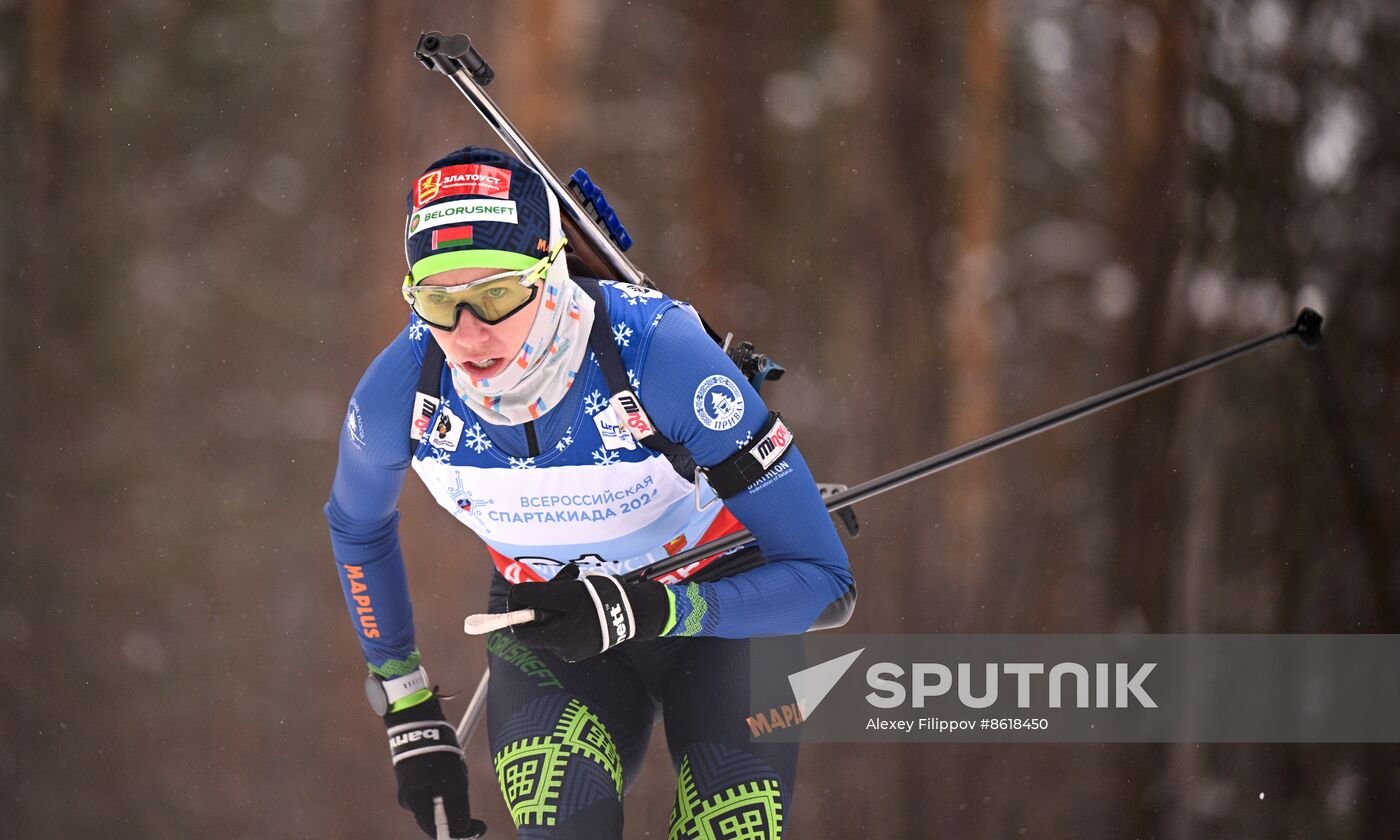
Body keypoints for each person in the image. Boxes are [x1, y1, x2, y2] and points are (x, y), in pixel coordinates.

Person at [325, 146, 856, 839]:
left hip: (721, 611)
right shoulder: (402, 394)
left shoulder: (657, 353)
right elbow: (357, 528)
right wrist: (409, 712)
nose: (468, 332)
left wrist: (651, 609)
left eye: (496, 294)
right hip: (552, 626)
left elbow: (826, 584)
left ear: (550, 275)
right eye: (437, 300)